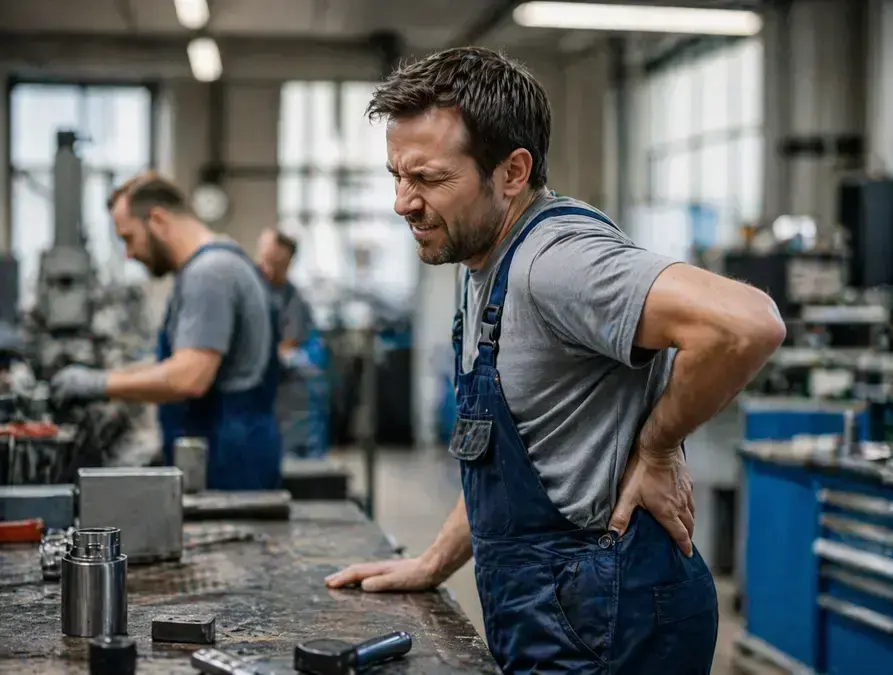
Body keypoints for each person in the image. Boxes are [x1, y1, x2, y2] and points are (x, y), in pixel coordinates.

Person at [324, 47, 786, 674]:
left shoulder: (556, 262)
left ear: (512, 172)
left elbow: (747, 324)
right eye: (396, 175)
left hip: (608, 623)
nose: (402, 202)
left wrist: (657, 446)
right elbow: (507, 460)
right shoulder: (485, 261)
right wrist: (433, 562)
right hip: (554, 609)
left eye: (429, 179)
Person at [49, 173, 283, 490]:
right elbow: (178, 361)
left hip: (227, 464)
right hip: (229, 452)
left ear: (157, 220)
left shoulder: (209, 274)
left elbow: (189, 376)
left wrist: (100, 385)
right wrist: (110, 375)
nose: (129, 254)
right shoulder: (217, 264)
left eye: (129, 238)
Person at [255, 227, 314, 359]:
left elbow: (288, 345)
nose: (263, 266)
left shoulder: (293, 300)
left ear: (286, 259)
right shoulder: (251, 287)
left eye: (269, 261)